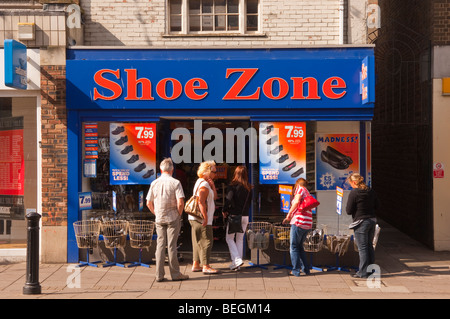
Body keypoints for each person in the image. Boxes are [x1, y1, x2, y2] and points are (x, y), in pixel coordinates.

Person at [146, 158, 188, 282]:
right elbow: (180, 202)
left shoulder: (154, 183)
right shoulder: (176, 183)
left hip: (159, 218)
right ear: (172, 170)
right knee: (171, 246)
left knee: (160, 245)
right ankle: (175, 274)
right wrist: (179, 215)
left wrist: (156, 213)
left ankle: (159, 275)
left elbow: (148, 203)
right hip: (172, 217)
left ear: (160, 169)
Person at [346, 172, 379, 278]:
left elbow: (348, 210)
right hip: (372, 220)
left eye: (351, 183)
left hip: (361, 222)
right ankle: (371, 271)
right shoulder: (371, 191)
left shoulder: (354, 192)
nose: (351, 185)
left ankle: (363, 272)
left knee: (363, 248)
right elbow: (378, 205)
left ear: (354, 182)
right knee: (369, 246)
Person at [189, 160, 219, 274]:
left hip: (194, 217)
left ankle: (196, 264)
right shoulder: (204, 184)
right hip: (202, 218)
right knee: (207, 241)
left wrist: (213, 185)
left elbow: (215, 197)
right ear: (207, 171)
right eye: (214, 172)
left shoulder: (201, 182)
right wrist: (205, 217)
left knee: (197, 241)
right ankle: (206, 265)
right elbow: (201, 202)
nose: (215, 174)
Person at [222, 166, 252, 270]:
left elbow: (228, 199)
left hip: (235, 216)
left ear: (236, 174)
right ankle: (236, 264)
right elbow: (250, 202)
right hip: (245, 216)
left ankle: (237, 260)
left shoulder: (233, 186)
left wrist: (224, 210)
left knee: (229, 238)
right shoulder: (249, 187)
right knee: (239, 239)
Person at [283, 178, 312, 276]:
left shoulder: (300, 189)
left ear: (297, 184)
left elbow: (296, 202)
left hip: (299, 221)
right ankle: (305, 269)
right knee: (300, 247)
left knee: (294, 247)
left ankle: (295, 270)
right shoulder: (307, 192)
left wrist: (289, 214)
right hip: (307, 223)